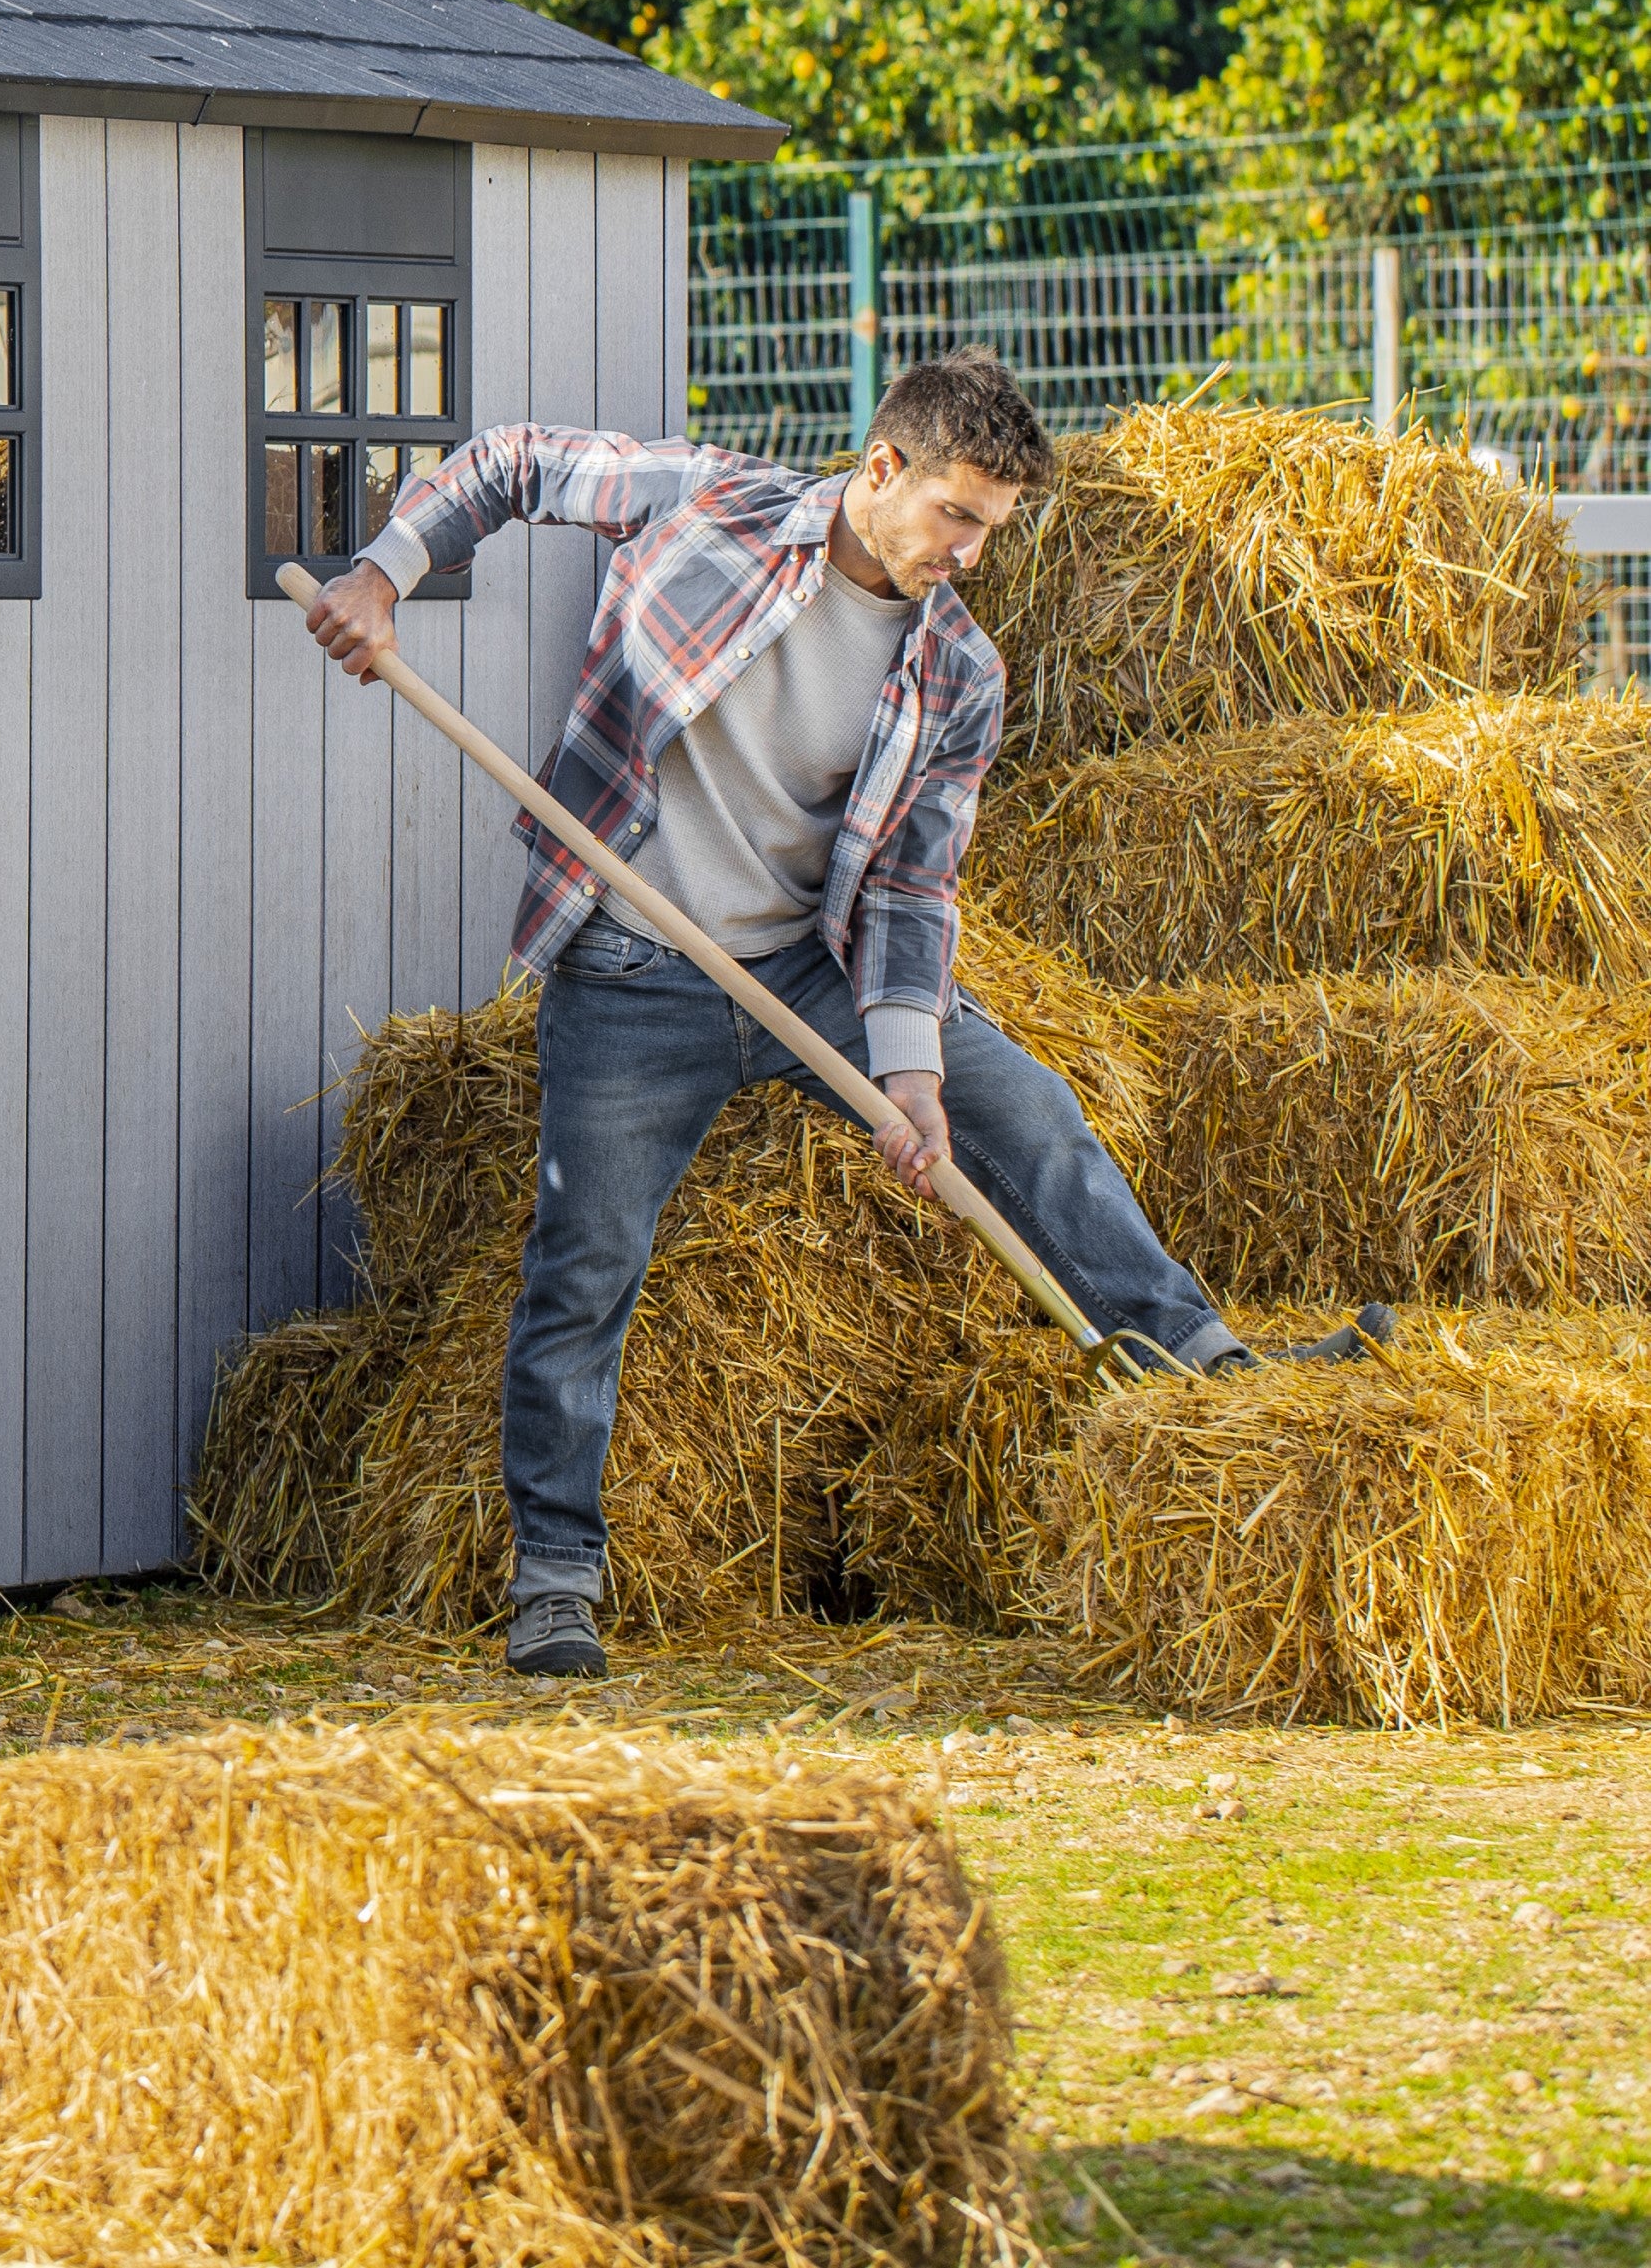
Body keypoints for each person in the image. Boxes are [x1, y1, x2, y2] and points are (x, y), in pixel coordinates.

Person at [298, 346, 1346, 1683]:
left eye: (993, 527)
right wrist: (385, 567)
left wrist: (911, 1076)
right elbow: (511, 464)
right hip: (631, 969)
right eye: (956, 514)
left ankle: (1203, 1367)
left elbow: (914, 884)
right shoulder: (708, 505)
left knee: (1026, 1109)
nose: (968, 550)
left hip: (809, 970)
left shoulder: (960, 669)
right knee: (583, 1267)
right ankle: (556, 1580)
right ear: (881, 466)